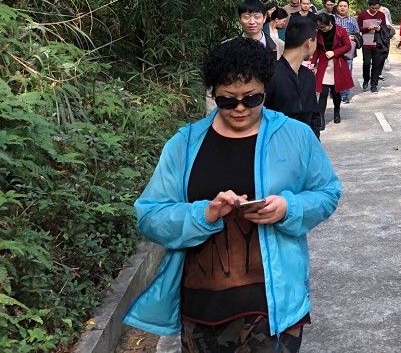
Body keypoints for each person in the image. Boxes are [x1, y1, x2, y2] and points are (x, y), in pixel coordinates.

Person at [123, 37, 342, 352]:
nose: (240, 108)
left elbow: (327, 192)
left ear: (265, 90)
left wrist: (288, 207)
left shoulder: (295, 135)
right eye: (227, 100)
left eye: (252, 98)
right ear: (213, 94)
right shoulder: (184, 144)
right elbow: (150, 215)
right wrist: (203, 214)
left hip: (274, 308)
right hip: (201, 311)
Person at [266, 15, 322, 137]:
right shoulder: (271, 76)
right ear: (309, 43)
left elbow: (314, 116)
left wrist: (314, 143)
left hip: (306, 144)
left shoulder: (308, 76)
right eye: (316, 41)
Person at [311, 13, 354, 127]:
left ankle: (337, 112)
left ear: (329, 23)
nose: (321, 29)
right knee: (323, 92)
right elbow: (317, 50)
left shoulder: (340, 31)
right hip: (324, 65)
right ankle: (321, 118)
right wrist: (313, 63)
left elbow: (348, 46)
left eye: (323, 27)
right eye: (319, 27)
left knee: (336, 92)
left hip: (337, 64)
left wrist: (335, 52)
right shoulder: (319, 33)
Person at [357, 0, 392, 93]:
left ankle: (374, 84)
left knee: (376, 64)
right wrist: (368, 28)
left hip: (378, 42)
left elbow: (384, 28)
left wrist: (379, 28)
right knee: (366, 63)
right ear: (369, 6)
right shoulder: (363, 15)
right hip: (366, 42)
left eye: (376, 8)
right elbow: (358, 28)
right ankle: (366, 79)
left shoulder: (381, 14)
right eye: (373, 8)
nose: (375, 10)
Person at [333, 0, 361, 103]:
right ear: (337, 7)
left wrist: (352, 37)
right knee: (334, 70)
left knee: (347, 71)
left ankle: (345, 94)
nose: (342, 8)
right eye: (340, 6)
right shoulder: (332, 19)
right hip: (334, 48)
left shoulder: (352, 20)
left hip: (348, 50)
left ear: (348, 8)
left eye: (345, 6)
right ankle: (335, 92)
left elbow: (358, 33)